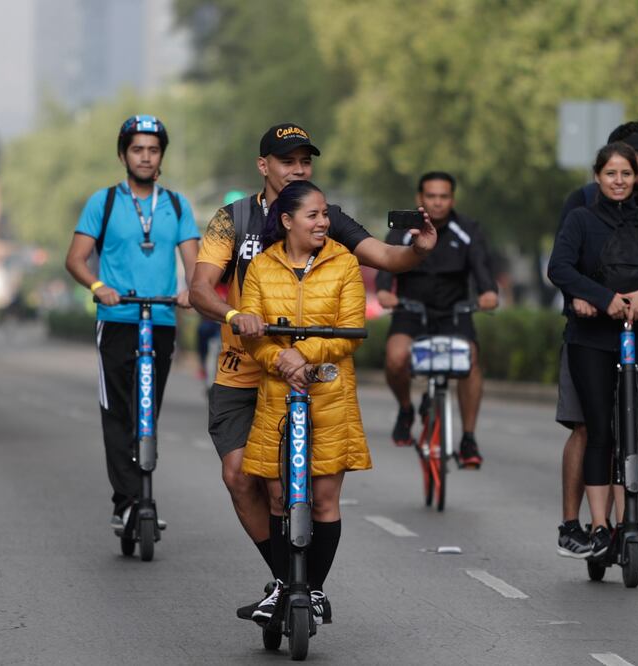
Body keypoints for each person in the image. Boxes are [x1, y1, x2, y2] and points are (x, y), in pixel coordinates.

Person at [188, 122, 437, 621]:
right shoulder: (231, 219)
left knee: (308, 491)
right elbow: (199, 290)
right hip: (247, 367)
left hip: (312, 378)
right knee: (241, 476)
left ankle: (295, 587)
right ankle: (286, 579)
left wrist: (418, 250)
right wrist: (237, 318)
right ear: (264, 167)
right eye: (287, 161)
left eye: (305, 160)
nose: (298, 169)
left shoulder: (327, 218)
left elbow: (386, 257)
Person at [547, 142, 638, 557]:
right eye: (610, 174)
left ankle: (630, 520)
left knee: (630, 433)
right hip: (590, 339)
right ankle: (598, 526)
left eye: (625, 174)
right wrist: (599, 296)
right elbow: (559, 268)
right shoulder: (580, 219)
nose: (618, 181)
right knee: (599, 431)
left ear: (636, 179)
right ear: (597, 177)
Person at [238, 180, 368, 625]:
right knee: (277, 497)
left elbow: (350, 328)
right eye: (313, 215)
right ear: (288, 221)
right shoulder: (260, 267)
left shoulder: (344, 263)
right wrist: (279, 358)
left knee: (325, 499)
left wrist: (303, 354)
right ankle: (282, 585)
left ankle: (312, 590)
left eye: (325, 215)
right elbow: (251, 337)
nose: (323, 222)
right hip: (277, 393)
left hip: (330, 395)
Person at [64, 114, 200, 533]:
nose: (145, 157)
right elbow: (75, 259)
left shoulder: (176, 205)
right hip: (118, 318)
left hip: (159, 319)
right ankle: (129, 502)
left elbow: (197, 268)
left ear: (162, 157)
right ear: (123, 154)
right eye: (137, 149)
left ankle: (137, 494)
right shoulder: (103, 203)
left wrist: (190, 291)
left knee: (147, 412)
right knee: (118, 413)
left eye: (153, 150)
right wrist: (99, 285)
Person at [376, 171, 498, 464]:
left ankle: (468, 439)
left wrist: (488, 293)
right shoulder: (405, 228)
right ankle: (406, 409)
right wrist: (383, 292)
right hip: (410, 311)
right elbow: (385, 263)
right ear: (420, 198)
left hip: (454, 313)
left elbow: (483, 271)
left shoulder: (468, 229)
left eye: (444, 197)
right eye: (431, 196)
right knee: (394, 358)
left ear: (452, 199)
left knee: (470, 359)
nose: (438, 202)